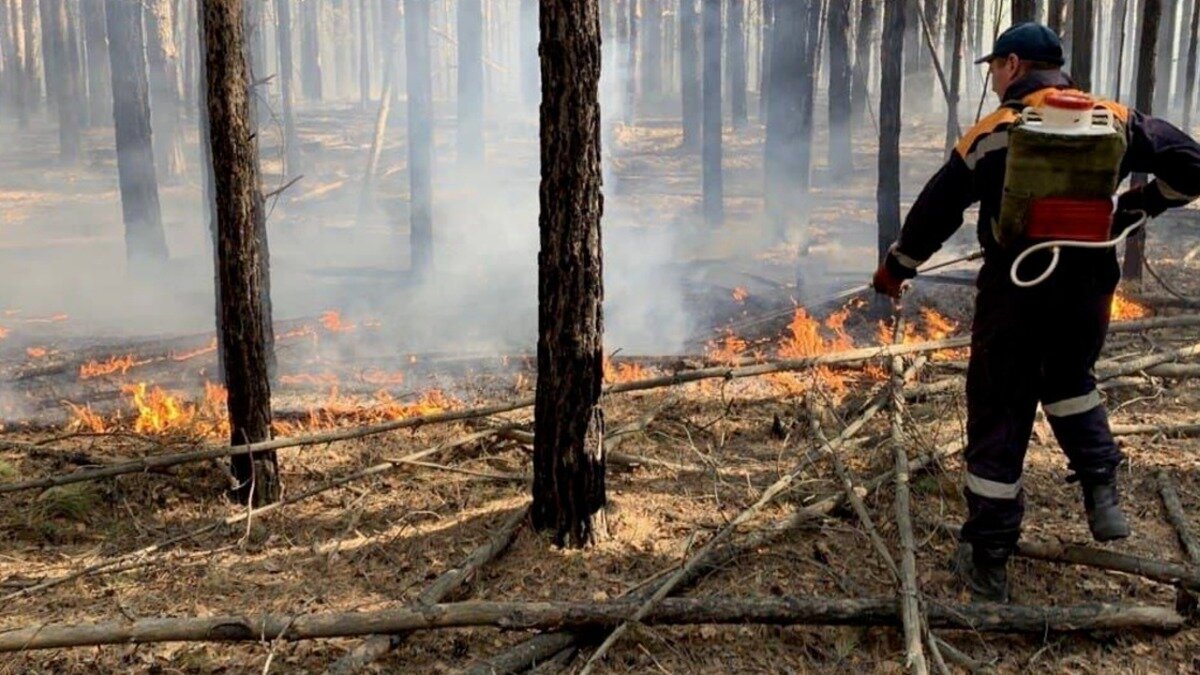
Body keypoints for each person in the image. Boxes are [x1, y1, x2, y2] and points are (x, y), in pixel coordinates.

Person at [871, 22, 1200, 603]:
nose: (993, 78)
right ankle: (1101, 489)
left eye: (995, 67)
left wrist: (897, 267)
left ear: (1015, 64)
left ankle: (990, 558)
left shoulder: (996, 132)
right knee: (1071, 381)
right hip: (1089, 288)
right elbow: (1193, 163)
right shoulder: (1117, 119)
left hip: (1016, 291)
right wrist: (1143, 202)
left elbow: (936, 208)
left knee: (1001, 407)